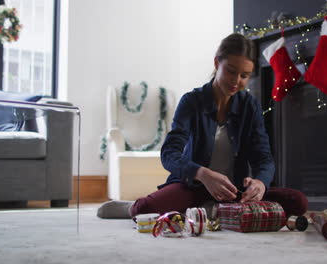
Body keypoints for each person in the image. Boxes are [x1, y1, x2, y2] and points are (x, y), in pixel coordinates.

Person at [97, 33, 308, 219]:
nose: (236, 81)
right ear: (217, 63)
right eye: (231, 71)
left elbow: (264, 157)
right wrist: (202, 174)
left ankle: (208, 209)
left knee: (297, 202)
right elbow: (169, 153)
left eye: (244, 76)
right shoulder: (192, 101)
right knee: (146, 210)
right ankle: (133, 207)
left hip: (233, 192)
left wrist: (260, 182)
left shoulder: (249, 105)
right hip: (192, 186)